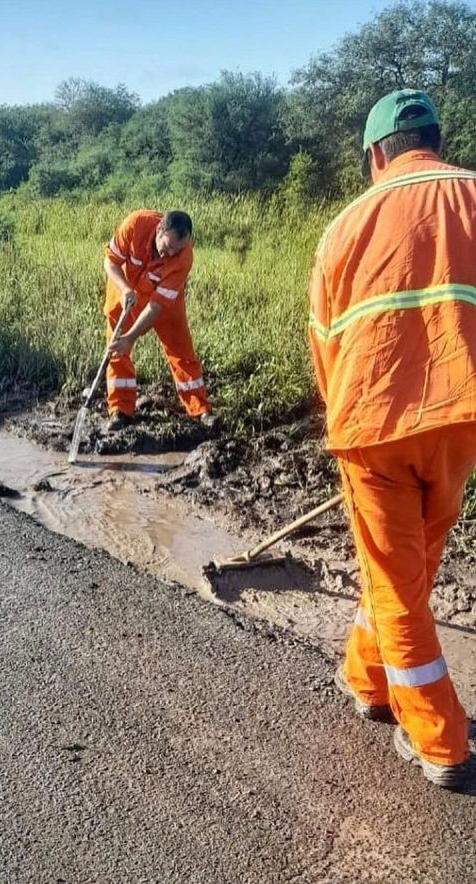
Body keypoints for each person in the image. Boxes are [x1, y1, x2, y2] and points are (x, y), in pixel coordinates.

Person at [309, 89, 476, 789]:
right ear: (437, 137)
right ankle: (367, 679)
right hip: (461, 421)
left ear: (376, 155)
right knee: (406, 569)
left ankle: (439, 741)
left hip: (371, 425)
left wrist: (341, 420)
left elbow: (324, 345)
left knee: (399, 585)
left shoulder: (346, 226)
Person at [103, 209, 214, 431]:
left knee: (181, 350)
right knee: (117, 346)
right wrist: (125, 289)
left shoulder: (183, 257)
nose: (170, 254)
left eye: (177, 249)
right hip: (126, 289)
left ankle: (200, 409)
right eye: (168, 246)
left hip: (162, 300)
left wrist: (131, 336)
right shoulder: (136, 224)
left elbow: (156, 307)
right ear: (159, 229)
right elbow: (111, 262)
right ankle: (120, 410)